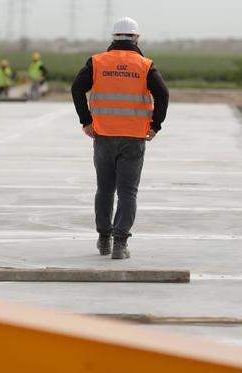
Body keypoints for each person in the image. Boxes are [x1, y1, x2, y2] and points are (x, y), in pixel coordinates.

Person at [70, 17, 169, 259]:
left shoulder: (97, 62)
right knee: (127, 192)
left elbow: (76, 88)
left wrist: (86, 121)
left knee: (105, 189)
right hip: (133, 137)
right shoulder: (145, 65)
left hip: (103, 135)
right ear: (136, 38)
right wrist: (155, 125)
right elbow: (163, 94)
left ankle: (104, 239)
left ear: (113, 38)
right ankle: (120, 244)